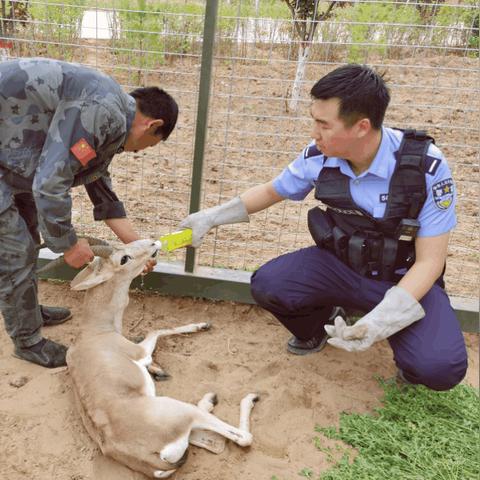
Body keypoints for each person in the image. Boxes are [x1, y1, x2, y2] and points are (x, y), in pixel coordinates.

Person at [180, 64, 468, 391]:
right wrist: (212, 217)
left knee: (440, 368)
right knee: (272, 284)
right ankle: (320, 325)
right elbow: (271, 191)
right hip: (342, 269)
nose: (314, 133)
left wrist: (381, 320)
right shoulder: (319, 155)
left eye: (323, 124)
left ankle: (407, 359)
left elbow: (430, 262)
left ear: (361, 126)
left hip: (404, 277)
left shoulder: (425, 167)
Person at [0, 57, 178, 368]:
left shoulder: (113, 113)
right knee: (16, 248)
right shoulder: (104, 111)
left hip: (11, 156)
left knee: (28, 233)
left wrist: (138, 248)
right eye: (148, 146)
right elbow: (50, 182)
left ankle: (25, 308)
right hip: (10, 162)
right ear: (152, 125)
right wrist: (68, 244)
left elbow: (99, 185)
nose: (139, 152)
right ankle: (27, 341)